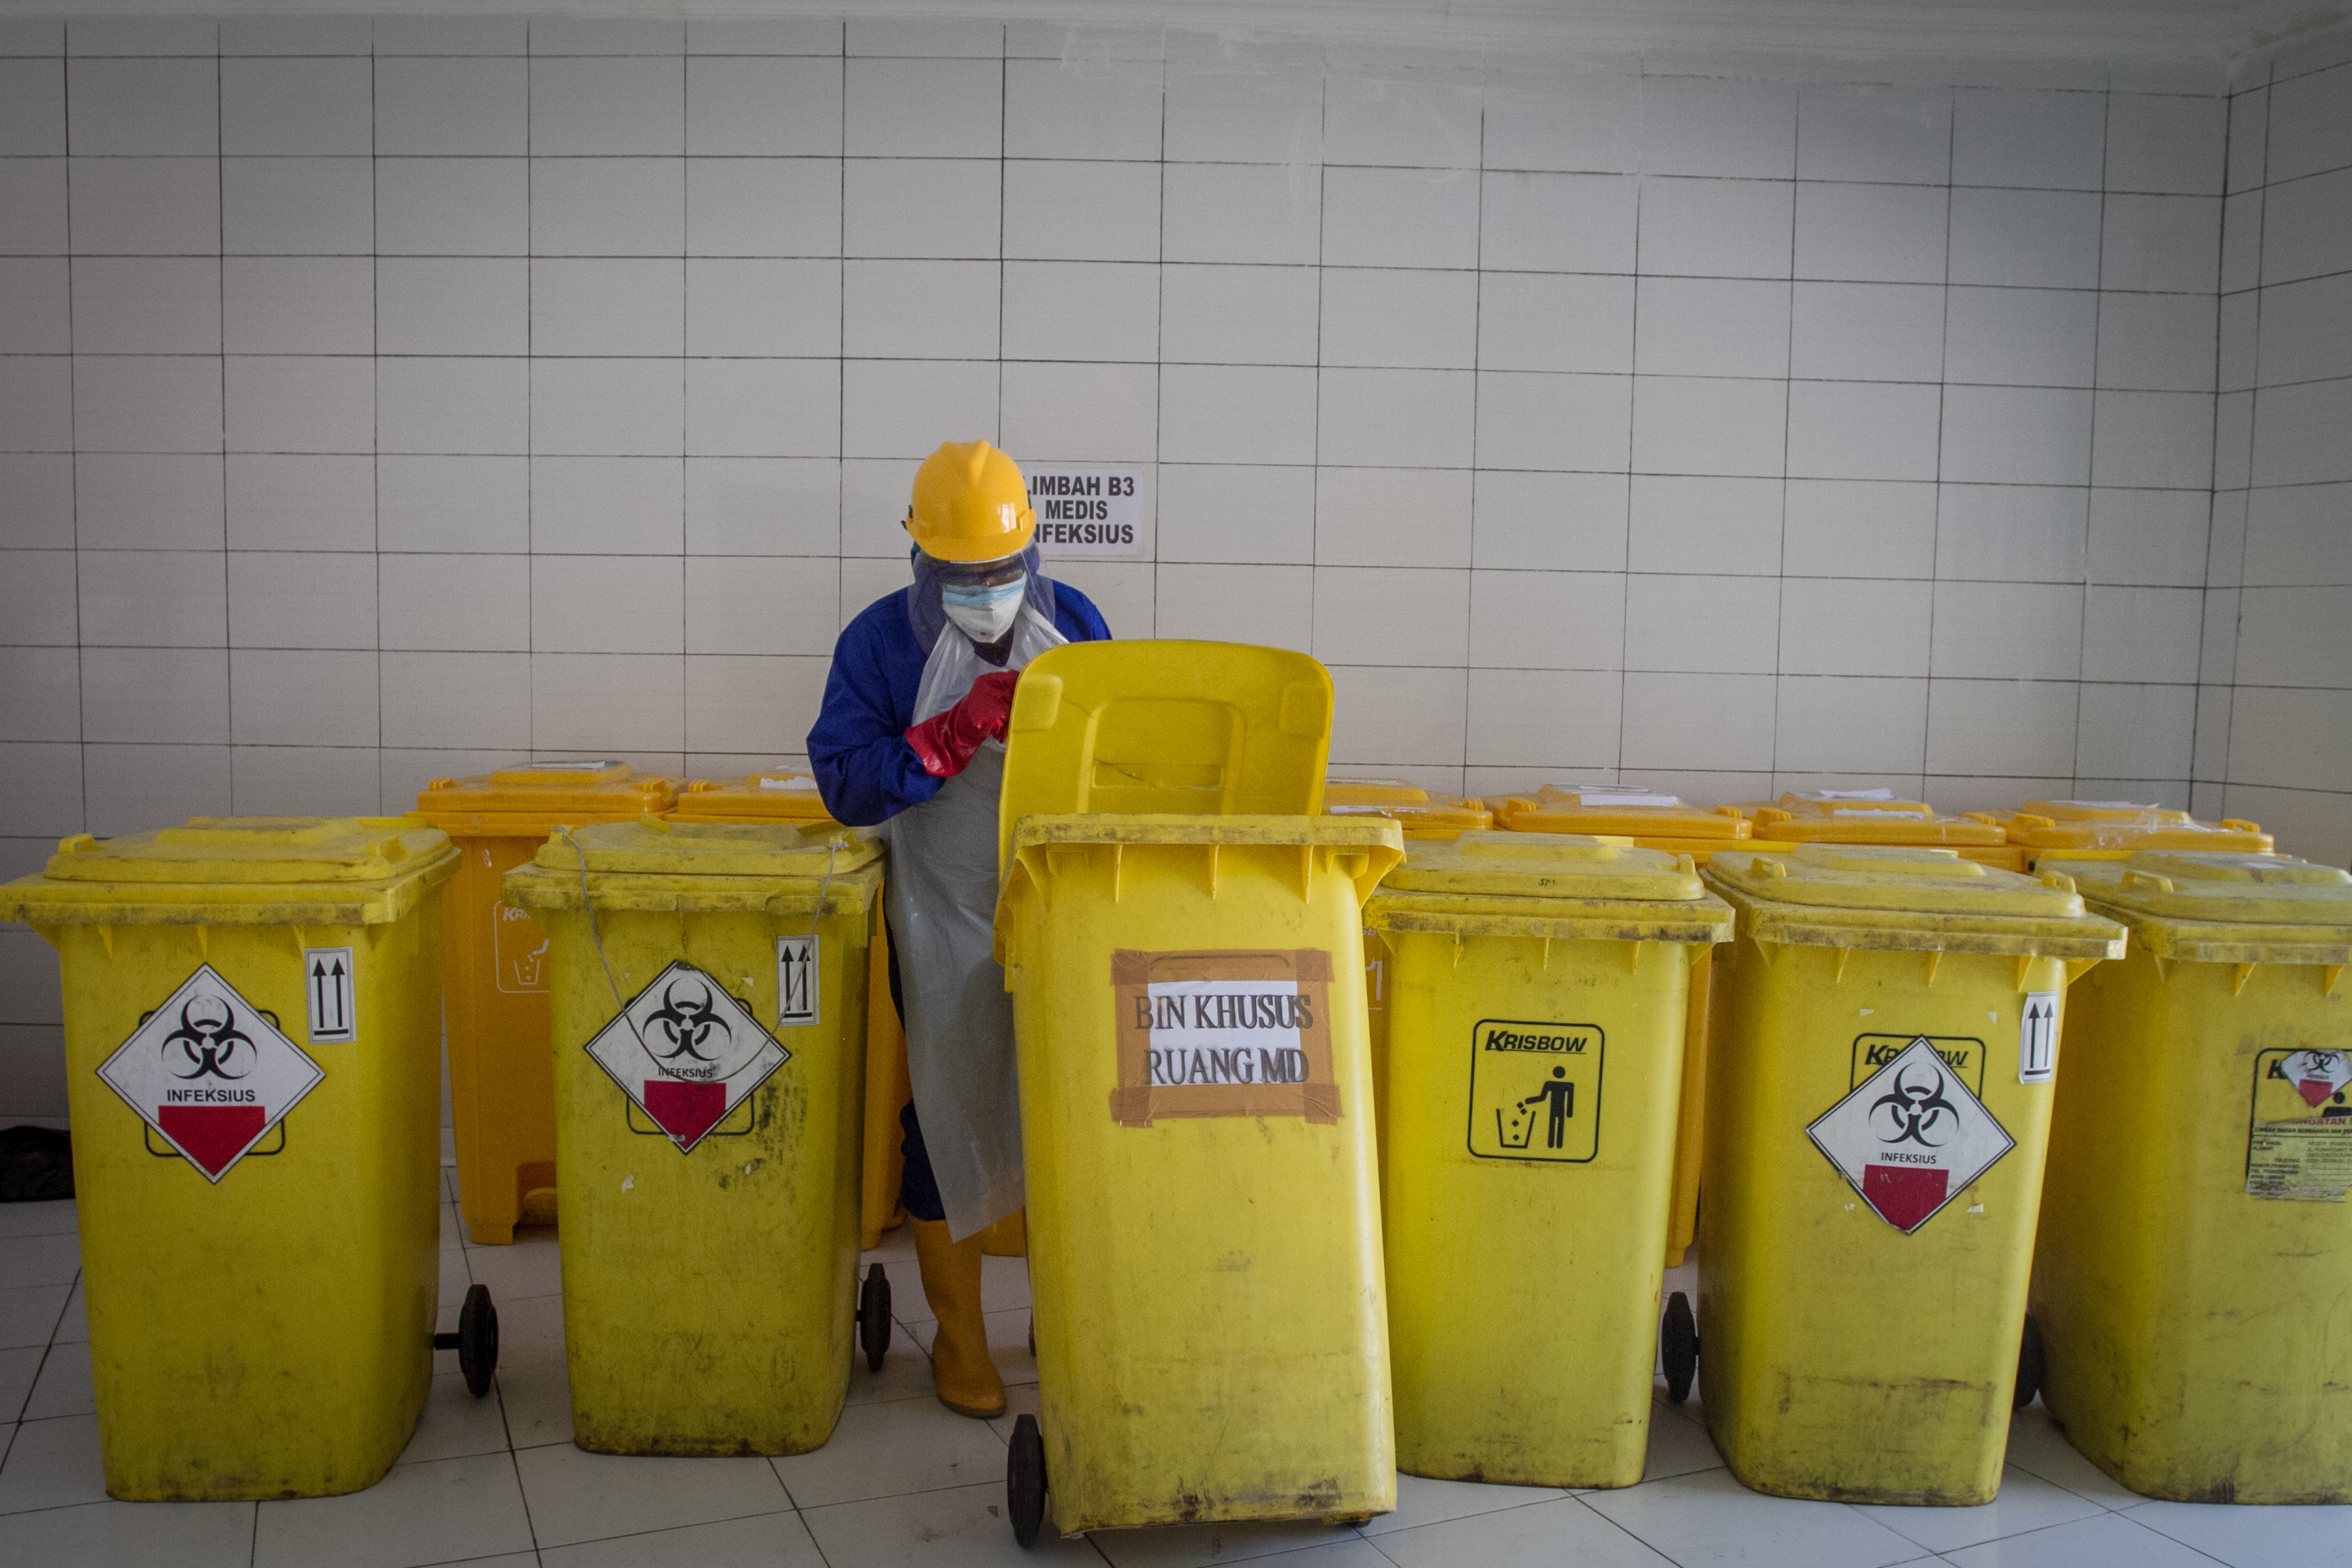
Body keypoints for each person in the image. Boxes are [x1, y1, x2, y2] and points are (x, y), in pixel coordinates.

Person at [807, 440, 1110, 1418]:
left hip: (1063, 907)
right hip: (943, 916)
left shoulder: (1078, 626)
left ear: (1033, 558)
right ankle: (961, 1339)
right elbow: (846, 784)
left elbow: (1129, 756)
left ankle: (1063, 1314)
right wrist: (944, 738)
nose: (985, 594)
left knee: (1073, 1113)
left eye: (1001, 574)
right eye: (961, 576)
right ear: (920, 561)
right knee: (947, 1112)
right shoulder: (879, 646)